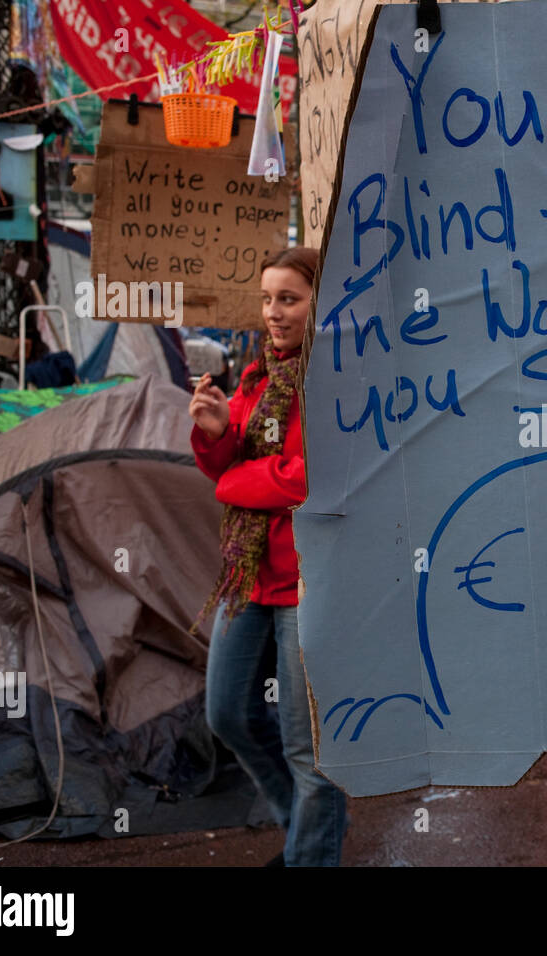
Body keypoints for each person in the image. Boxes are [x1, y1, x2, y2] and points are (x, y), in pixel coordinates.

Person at [189, 247, 348, 866]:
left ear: (317, 303)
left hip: (307, 582)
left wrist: (233, 481)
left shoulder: (332, 375)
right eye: (266, 299)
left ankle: (310, 852)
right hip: (250, 575)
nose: (274, 313)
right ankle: (303, 834)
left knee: (306, 748)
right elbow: (234, 463)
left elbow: (309, 475)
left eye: (289, 299)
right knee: (227, 712)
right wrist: (212, 433)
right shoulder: (256, 376)